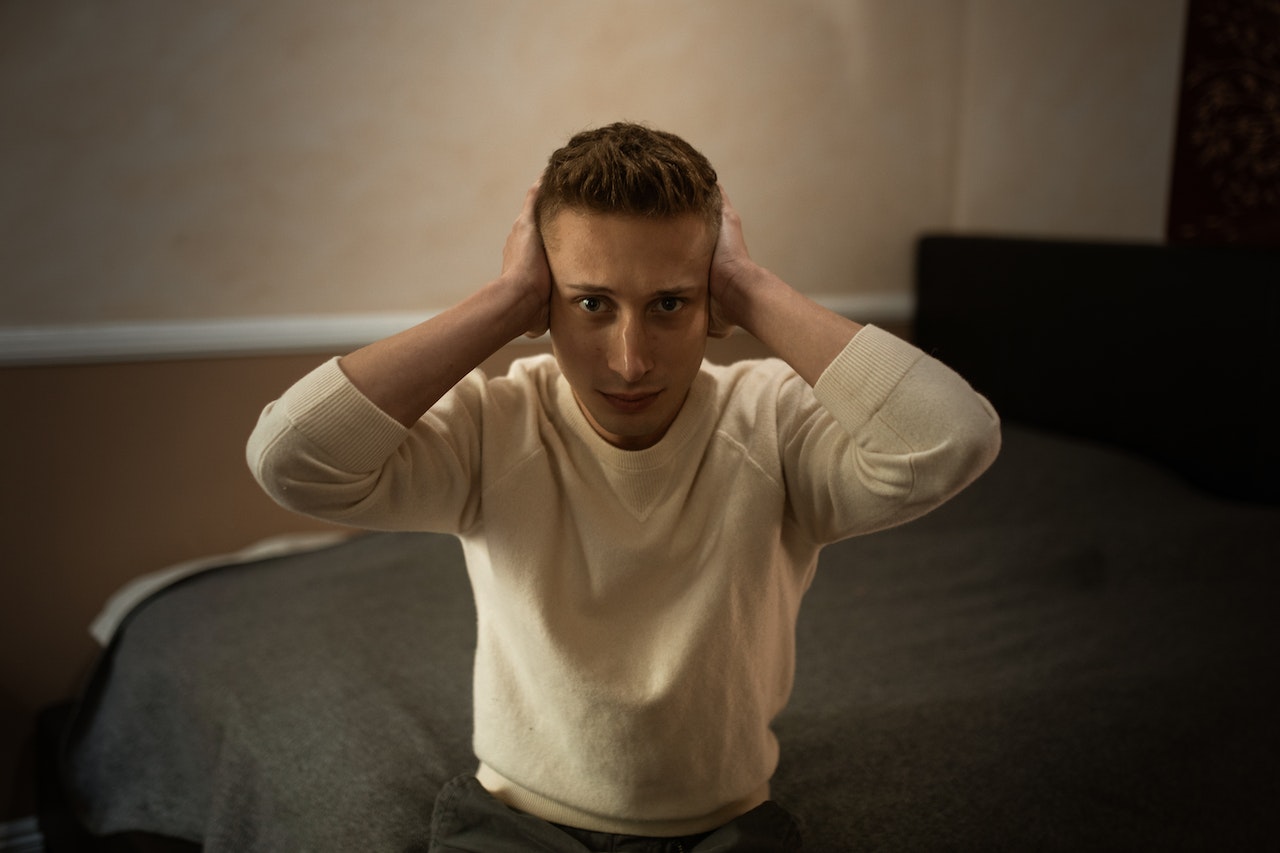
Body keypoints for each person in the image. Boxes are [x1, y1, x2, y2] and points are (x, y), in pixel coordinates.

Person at [247, 122, 1001, 851]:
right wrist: (507, 302)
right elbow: (291, 461)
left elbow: (953, 437)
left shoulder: (771, 420)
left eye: (670, 303)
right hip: (516, 821)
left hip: (726, 827)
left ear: (711, 303)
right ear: (548, 301)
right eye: (591, 304)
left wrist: (746, 284)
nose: (630, 360)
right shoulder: (496, 424)